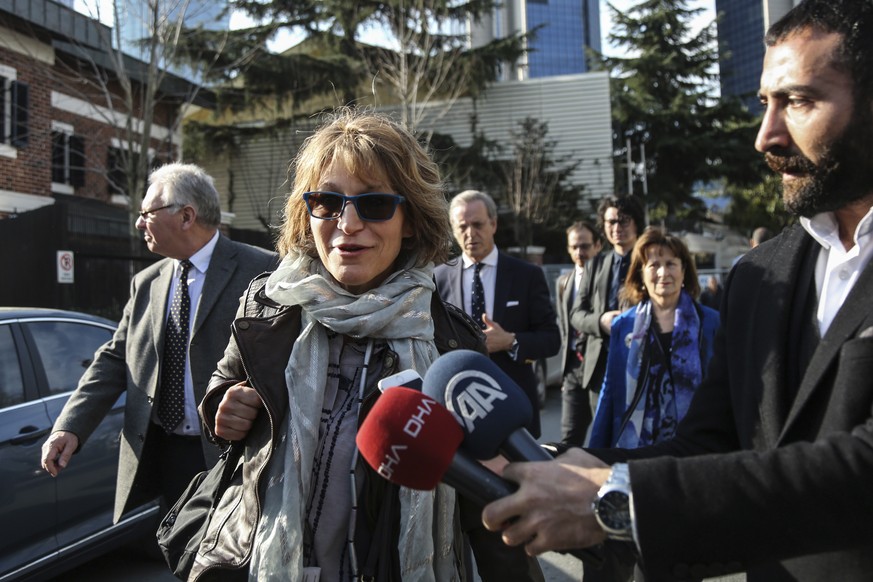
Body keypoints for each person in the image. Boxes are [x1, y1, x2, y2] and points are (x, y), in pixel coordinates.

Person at [481, 1, 873, 580]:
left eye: (799, 101)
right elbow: (711, 445)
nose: (766, 136)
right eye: (764, 103)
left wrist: (617, 500)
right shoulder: (759, 276)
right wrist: (571, 466)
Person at [193, 109, 520, 581]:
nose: (347, 224)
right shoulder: (267, 308)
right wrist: (222, 405)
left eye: (374, 204)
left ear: (410, 220)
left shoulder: (452, 341)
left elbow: (489, 512)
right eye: (327, 201)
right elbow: (226, 384)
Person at [40, 162, 278, 522]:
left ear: (185, 216)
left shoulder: (262, 270)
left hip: (235, 456)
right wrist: (69, 425)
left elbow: (283, 362)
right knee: (180, 562)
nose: (139, 223)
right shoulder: (146, 282)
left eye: (146, 213)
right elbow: (114, 359)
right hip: (166, 455)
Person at [434, 190, 560, 439]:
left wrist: (511, 341)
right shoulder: (438, 278)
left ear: (493, 224)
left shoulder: (526, 275)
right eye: (462, 226)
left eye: (478, 224)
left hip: (514, 405)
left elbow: (551, 340)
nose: (470, 233)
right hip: (458, 411)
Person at [589, 228, 720, 449]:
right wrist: (595, 452)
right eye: (654, 265)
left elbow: (722, 386)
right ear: (640, 273)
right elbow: (611, 390)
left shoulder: (710, 322)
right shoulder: (624, 325)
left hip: (697, 444)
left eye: (670, 264)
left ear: (684, 270)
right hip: (637, 447)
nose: (663, 273)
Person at [569, 195, 645, 431]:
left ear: (636, 223)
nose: (617, 227)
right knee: (603, 432)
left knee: (638, 430)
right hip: (600, 363)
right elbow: (576, 313)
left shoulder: (648, 261)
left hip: (641, 359)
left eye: (623, 221)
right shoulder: (595, 264)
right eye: (610, 222)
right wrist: (600, 321)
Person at [556, 221, 602, 447]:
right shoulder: (563, 282)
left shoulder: (607, 279)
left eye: (584, 246)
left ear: (598, 246)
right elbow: (565, 329)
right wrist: (565, 373)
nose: (579, 252)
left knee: (603, 438)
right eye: (574, 247)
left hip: (600, 367)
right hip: (573, 367)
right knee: (568, 440)